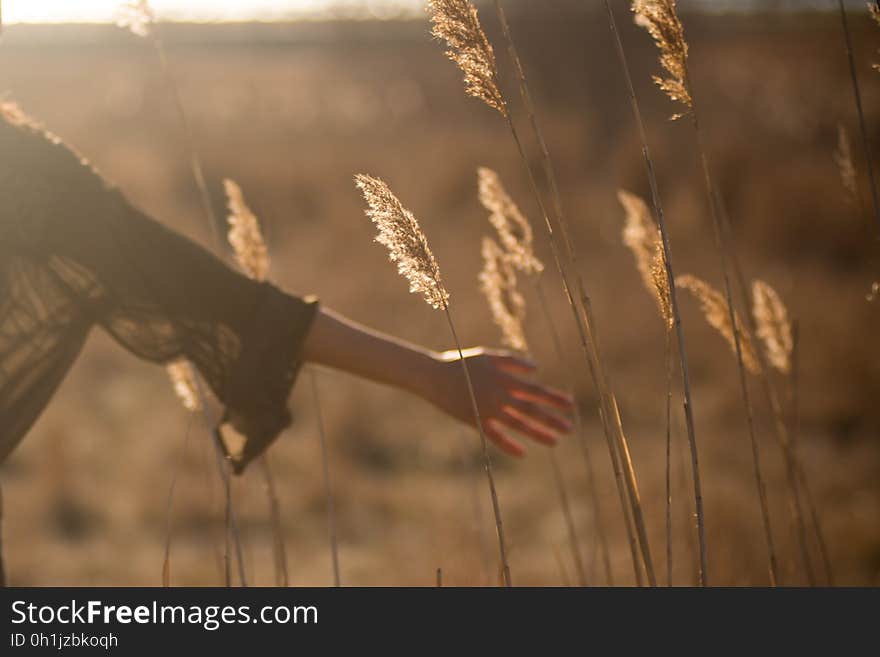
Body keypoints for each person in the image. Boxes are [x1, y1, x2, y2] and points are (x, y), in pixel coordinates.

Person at [0, 102, 573, 474]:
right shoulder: (25, 169)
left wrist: (429, 373)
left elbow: (217, 296)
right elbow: (229, 302)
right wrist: (427, 373)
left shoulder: (27, 172)